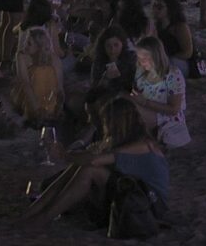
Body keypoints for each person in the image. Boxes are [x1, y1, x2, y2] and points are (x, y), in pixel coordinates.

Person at [24, 97, 168, 226]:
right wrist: (68, 154)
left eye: (107, 123)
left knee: (90, 170)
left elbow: (95, 160)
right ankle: (34, 211)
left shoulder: (143, 145)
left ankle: (45, 216)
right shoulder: (129, 142)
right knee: (80, 166)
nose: (105, 128)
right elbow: (89, 156)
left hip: (149, 204)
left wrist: (64, 155)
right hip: (133, 194)